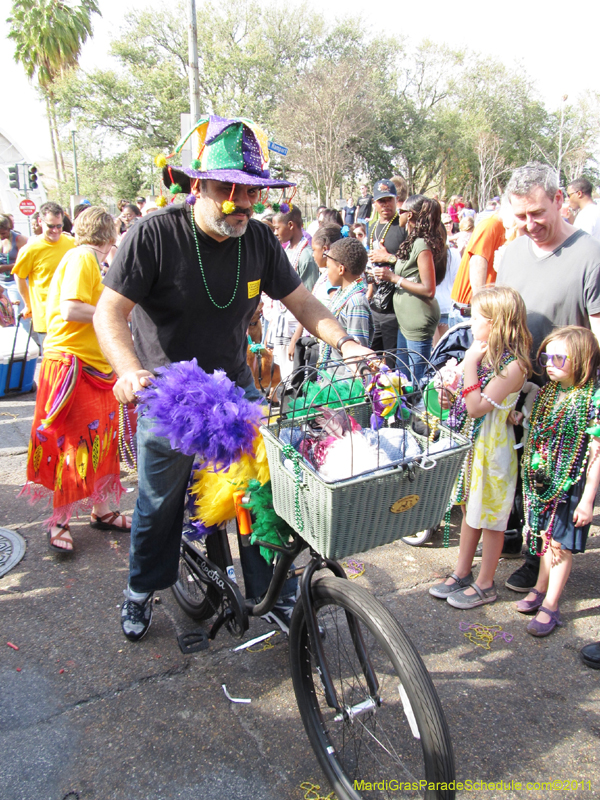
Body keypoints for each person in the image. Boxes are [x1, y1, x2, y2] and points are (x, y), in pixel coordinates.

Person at [93, 115, 373, 642]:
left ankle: (271, 592)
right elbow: (110, 313)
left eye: (251, 194)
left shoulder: (260, 240)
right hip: (167, 392)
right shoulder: (154, 234)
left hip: (235, 385)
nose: (242, 205)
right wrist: (128, 371)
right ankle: (140, 588)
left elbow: (304, 301)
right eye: (229, 191)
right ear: (197, 185)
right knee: (161, 500)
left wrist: (347, 341)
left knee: (265, 486)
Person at [497, 162, 600, 594]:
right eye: (520, 216)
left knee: (555, 484)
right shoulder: (514, 251)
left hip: (565, 397)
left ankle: (540, 562)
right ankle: (525, 537)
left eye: (537, 213)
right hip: (520, 389)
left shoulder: (590, 254)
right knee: (523, 473)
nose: (529, 224)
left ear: (560, 200)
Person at [19, 207, 128, 553]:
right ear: (110, 234)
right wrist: (112, 314)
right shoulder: (83, 256)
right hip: (75, 366)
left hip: (95, 366)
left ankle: (101, 510)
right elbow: (70, 309)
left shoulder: (90, 259)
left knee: (101, 440)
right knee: (77, 445)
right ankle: (60, 521)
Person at [429, 285, 532, 608]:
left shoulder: (514, 365)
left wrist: (470, 361)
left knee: (490, 517)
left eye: (478, 317)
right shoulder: (484, 354)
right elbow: (461, 397)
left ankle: (486, 582)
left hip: (494, 450)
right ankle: (462, 571)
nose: (471, 323)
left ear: (498, 323)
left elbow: (476, 408)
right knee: (469, 511)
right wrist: (448, 390)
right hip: (472, 446)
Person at [516, 327, 600, 636]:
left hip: (571, 485)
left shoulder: (591, 400)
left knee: (561, 545)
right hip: (546, 478)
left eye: (559, 357)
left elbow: (596, 453)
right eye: (546, 356)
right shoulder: (548, 393)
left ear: (582, 361)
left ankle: (552, 603)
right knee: (542, 537)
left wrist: (589, 499)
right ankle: (540, 587)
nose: (549, 363)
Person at [372, 194, 444, 383]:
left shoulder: (422, 244)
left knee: (415, 383)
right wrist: (389, 261)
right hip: (405, 321)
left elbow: (429, 289)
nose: (399, 214)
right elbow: (410, 267)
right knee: (403, 381)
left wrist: (394, 278)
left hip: (418, 322)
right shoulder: (413, 241)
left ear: (410, 215)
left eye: (402, 211)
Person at [12, 202, 76, 352]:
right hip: (46, 318)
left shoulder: (72, 243)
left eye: (59, 226)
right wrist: (28, 304)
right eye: (51, 226)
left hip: (71, 316)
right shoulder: (30, 249)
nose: (55, 230)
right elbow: (19, 276)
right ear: (40, 222)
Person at [271, 206, 319, 378]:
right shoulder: (286, 251)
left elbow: (309, 301)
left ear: (290, 225)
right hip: (283, 326)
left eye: (277, 228)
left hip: (295, 330)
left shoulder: (306, 256)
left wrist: (295, 339)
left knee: (294, 380)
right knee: (285, 378)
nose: (275, 232)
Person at [317, 237, 373, 366]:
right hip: (332, 375)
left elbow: (357, 352)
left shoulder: (356, 302)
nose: (326, 272)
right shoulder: (341, 294)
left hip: (344, 379)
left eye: (328, 267)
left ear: (341, 269)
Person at [367, 180, 406, 359]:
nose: (385, 205)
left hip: (396, 306)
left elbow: (414, 266)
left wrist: (388, 258)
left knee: (393, 360)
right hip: (376, 305)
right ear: (375, 203)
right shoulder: (372, 227)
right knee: (372, 359)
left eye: (389, 199)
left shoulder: (403, 226)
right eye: (381, 201)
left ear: (396, 199)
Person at [449, 211, 505, 329]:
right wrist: (479, 311)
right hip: (471, 311)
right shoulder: (493, 224)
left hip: (488, 310)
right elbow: (477, 260)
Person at [0, 214, 28, 318]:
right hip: (2, 282)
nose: (1, 236)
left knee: (19, 315)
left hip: (16, 282)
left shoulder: (19, 240)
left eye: (3, 233)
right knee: (6, 316)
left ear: (9, 228)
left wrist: (5, 267)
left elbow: (25, 263)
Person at [566, 176, 600, 242]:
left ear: (579, 194)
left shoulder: (586, 215)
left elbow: (580, 243)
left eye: (569, 195)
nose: (568, 199)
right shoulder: (596, 210)